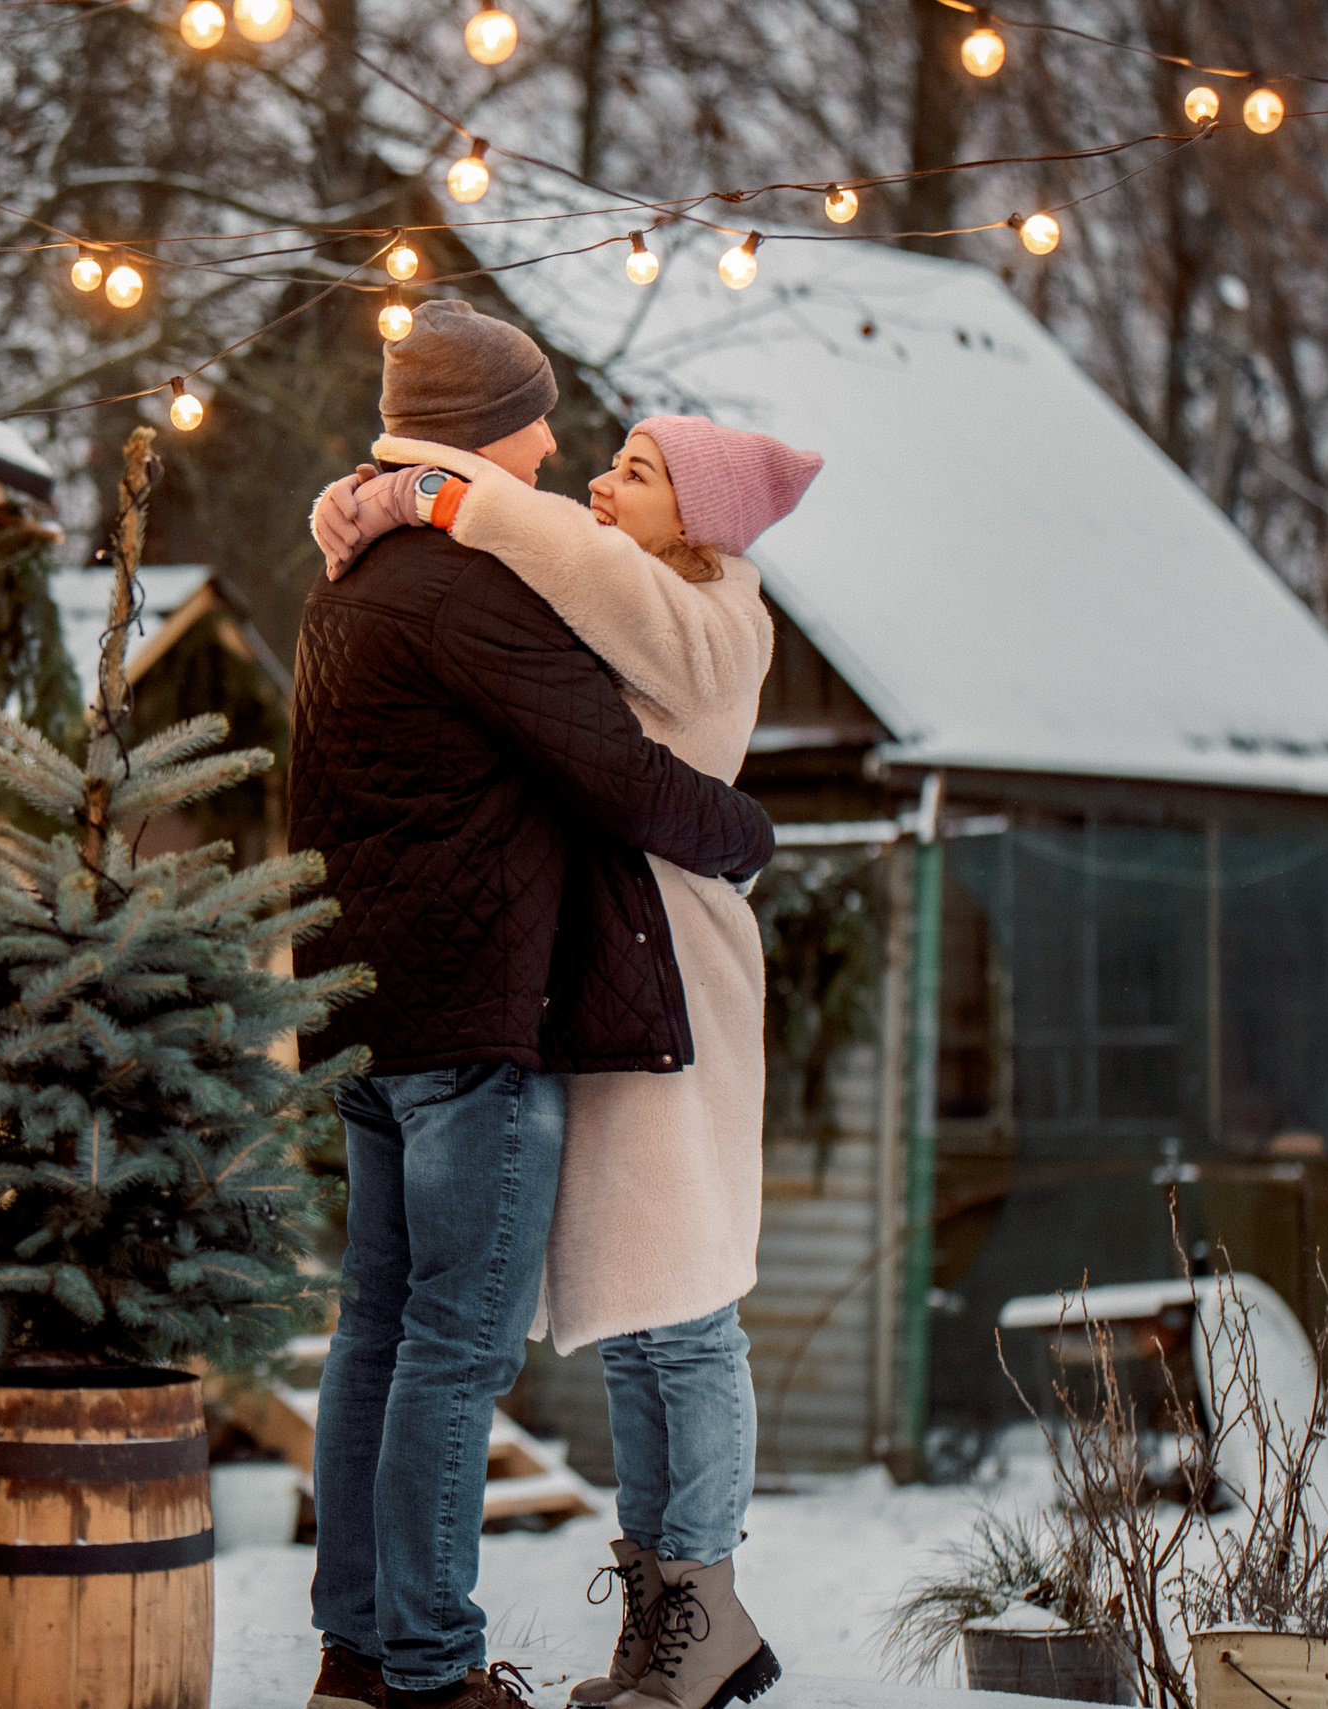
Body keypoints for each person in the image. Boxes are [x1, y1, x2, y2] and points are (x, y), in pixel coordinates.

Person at [290, 299, 777, 1709]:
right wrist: (749, 838)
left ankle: (356, 1653)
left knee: (378, 1335)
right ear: (484, 427)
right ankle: (433, 1673)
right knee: (450, 1351)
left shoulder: (355, 572)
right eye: (542, 418)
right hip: (469, 1028)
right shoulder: (470, 580)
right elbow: (612, 772)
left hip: (366, 1018)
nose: (560, 446)